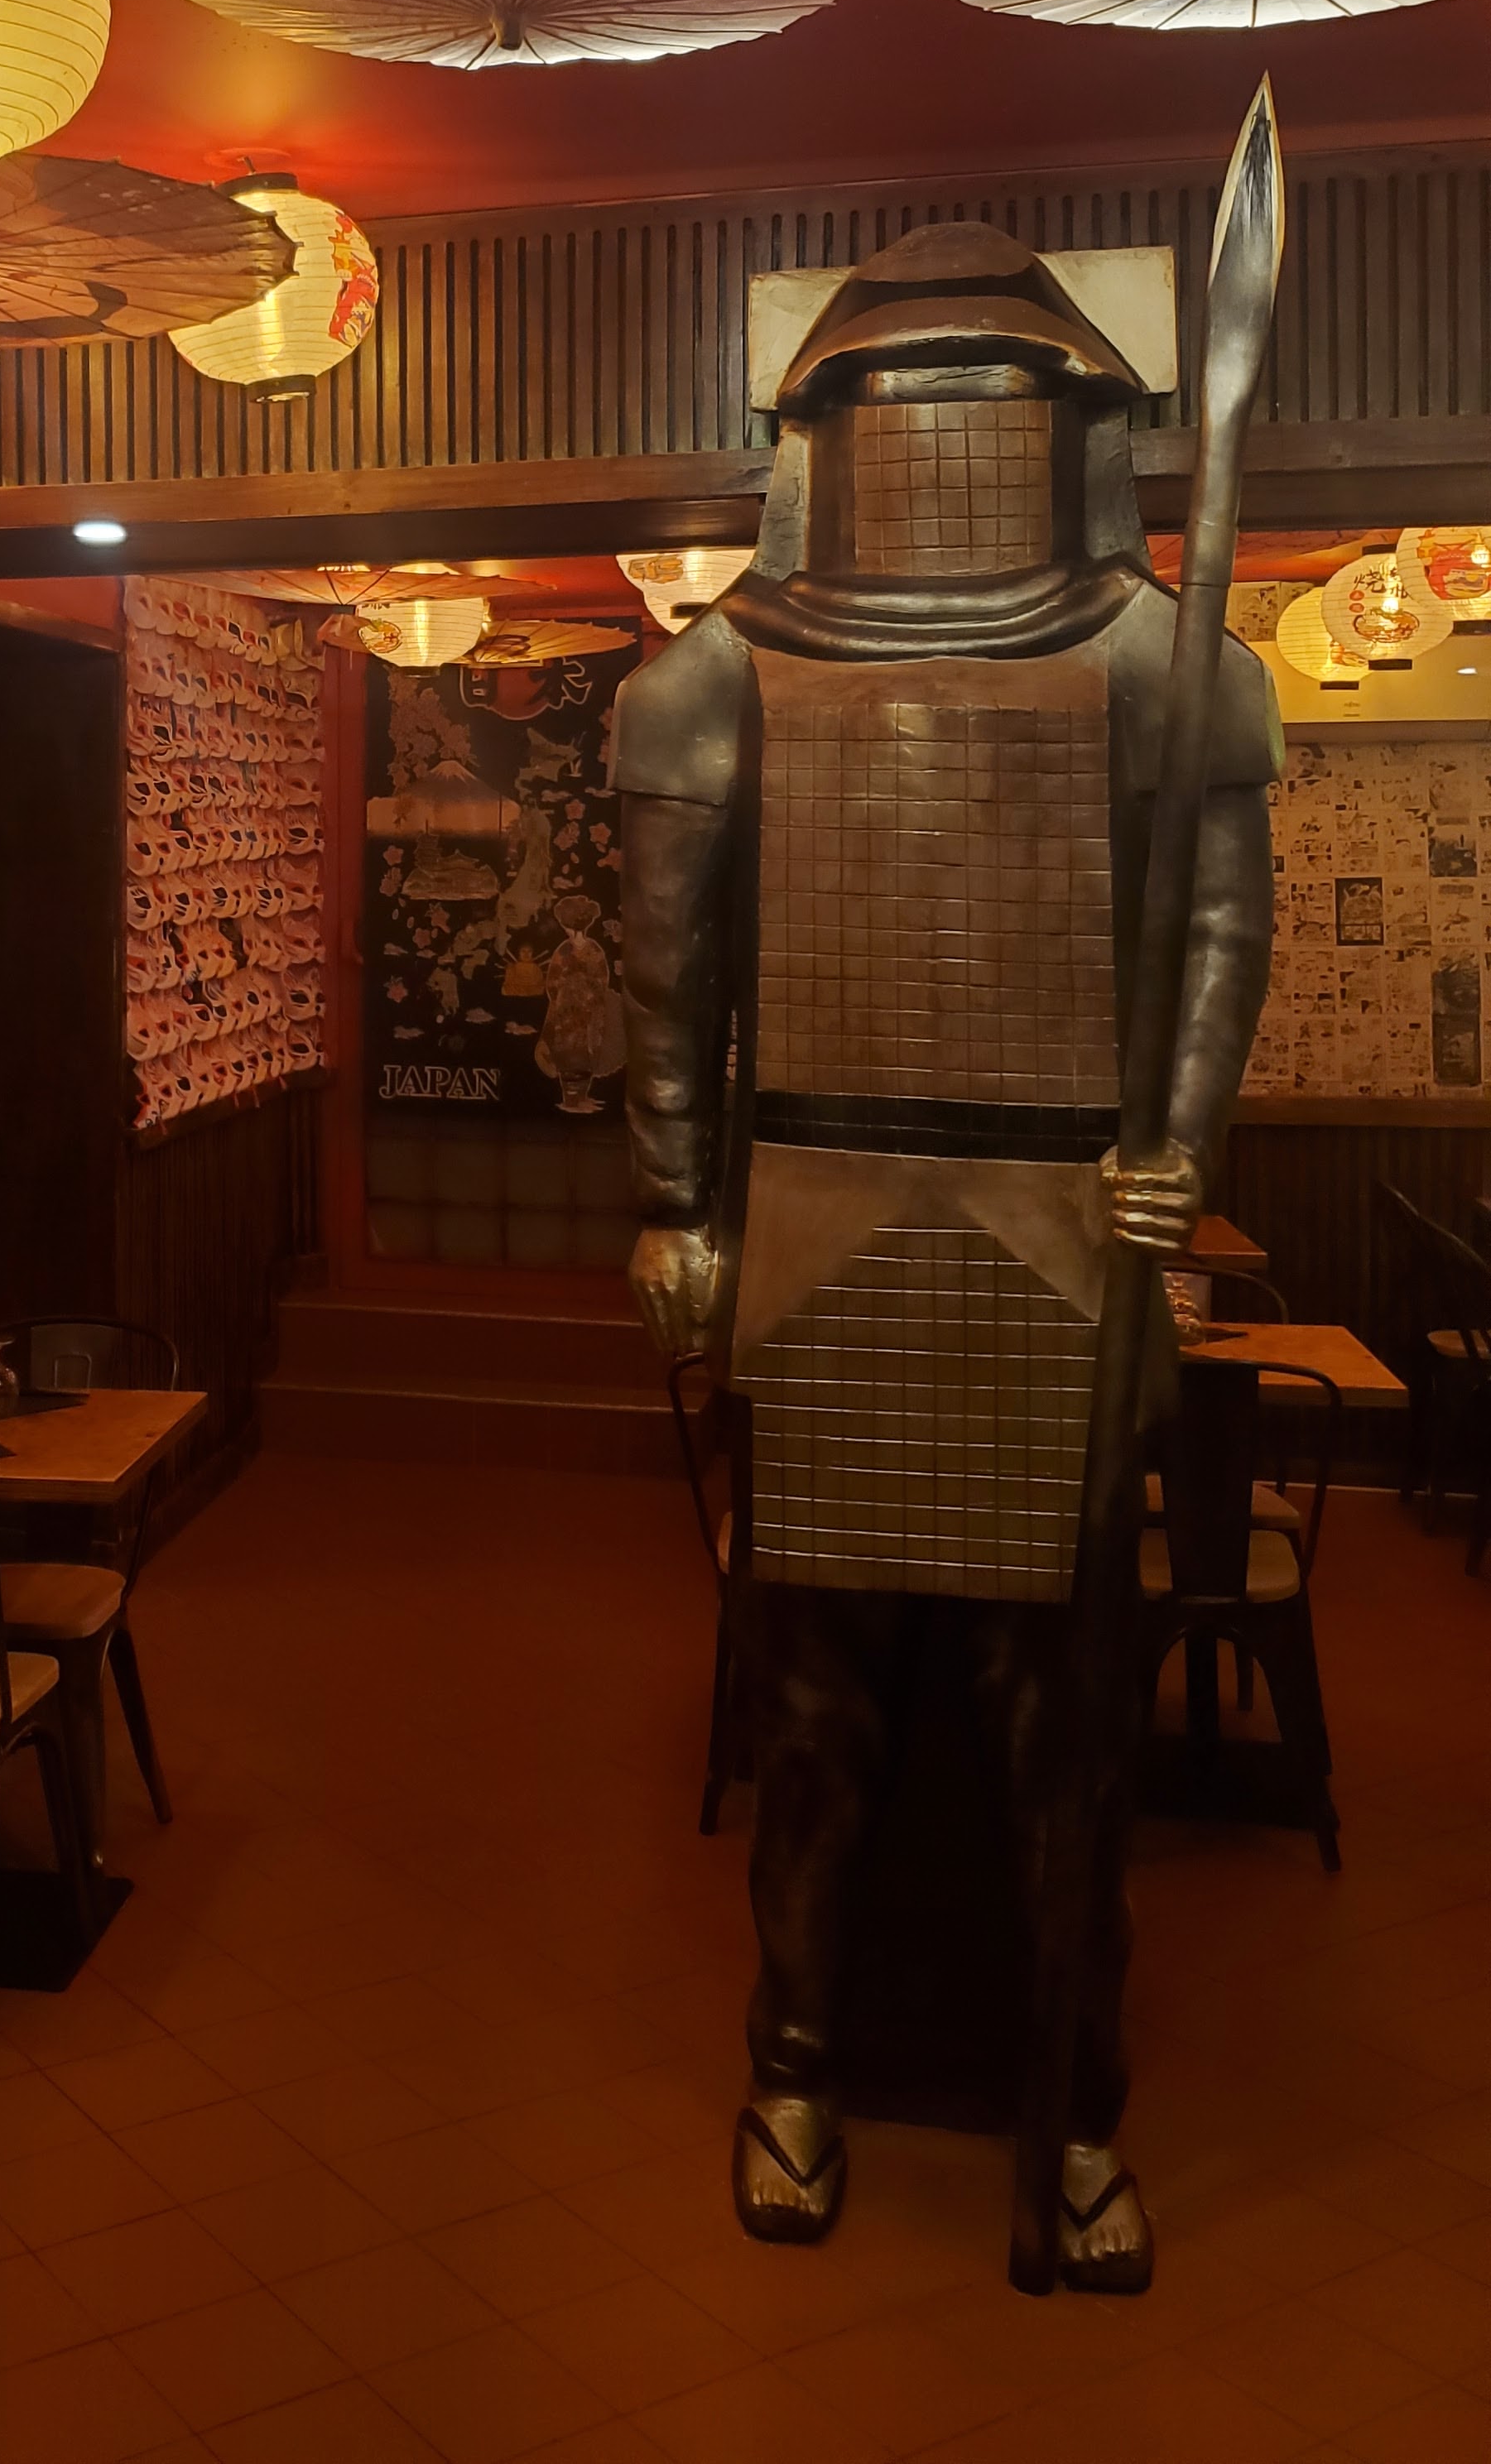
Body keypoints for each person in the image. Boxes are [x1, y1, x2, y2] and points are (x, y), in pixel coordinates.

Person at [615, 223, 1276, 2291]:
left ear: (1073, 431)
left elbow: (1219, 927)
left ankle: (1074, 2111)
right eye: (910, 408)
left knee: (1068, 1738)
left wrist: (1176, 1144)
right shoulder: (716, 675)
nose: (952, 445)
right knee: (814, 1722)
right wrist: (681, 1205)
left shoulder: (1164, 663)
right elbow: (667, 979)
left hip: (1068, 1231)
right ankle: (797, 2066)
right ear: (823, 440)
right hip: (816, 1208)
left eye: (995, 406)